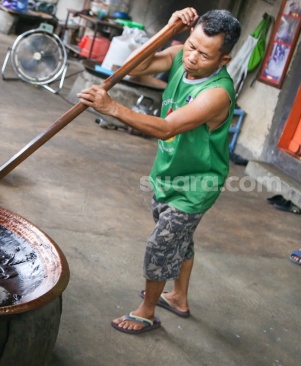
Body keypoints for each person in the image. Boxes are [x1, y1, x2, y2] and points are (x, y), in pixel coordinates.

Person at [77, 8, 241, 334]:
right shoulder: (182, 54)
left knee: (162, 244)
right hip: (169, 170)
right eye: (191, 46)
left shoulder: (216, 94)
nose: (192, 58)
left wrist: (112, 108)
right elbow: (135, 67)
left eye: (204, 54)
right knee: (181, 238)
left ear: (224, 60)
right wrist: (167, 30)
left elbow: (167, 128)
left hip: (196, 183)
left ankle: (147, 311)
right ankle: (178, 297)